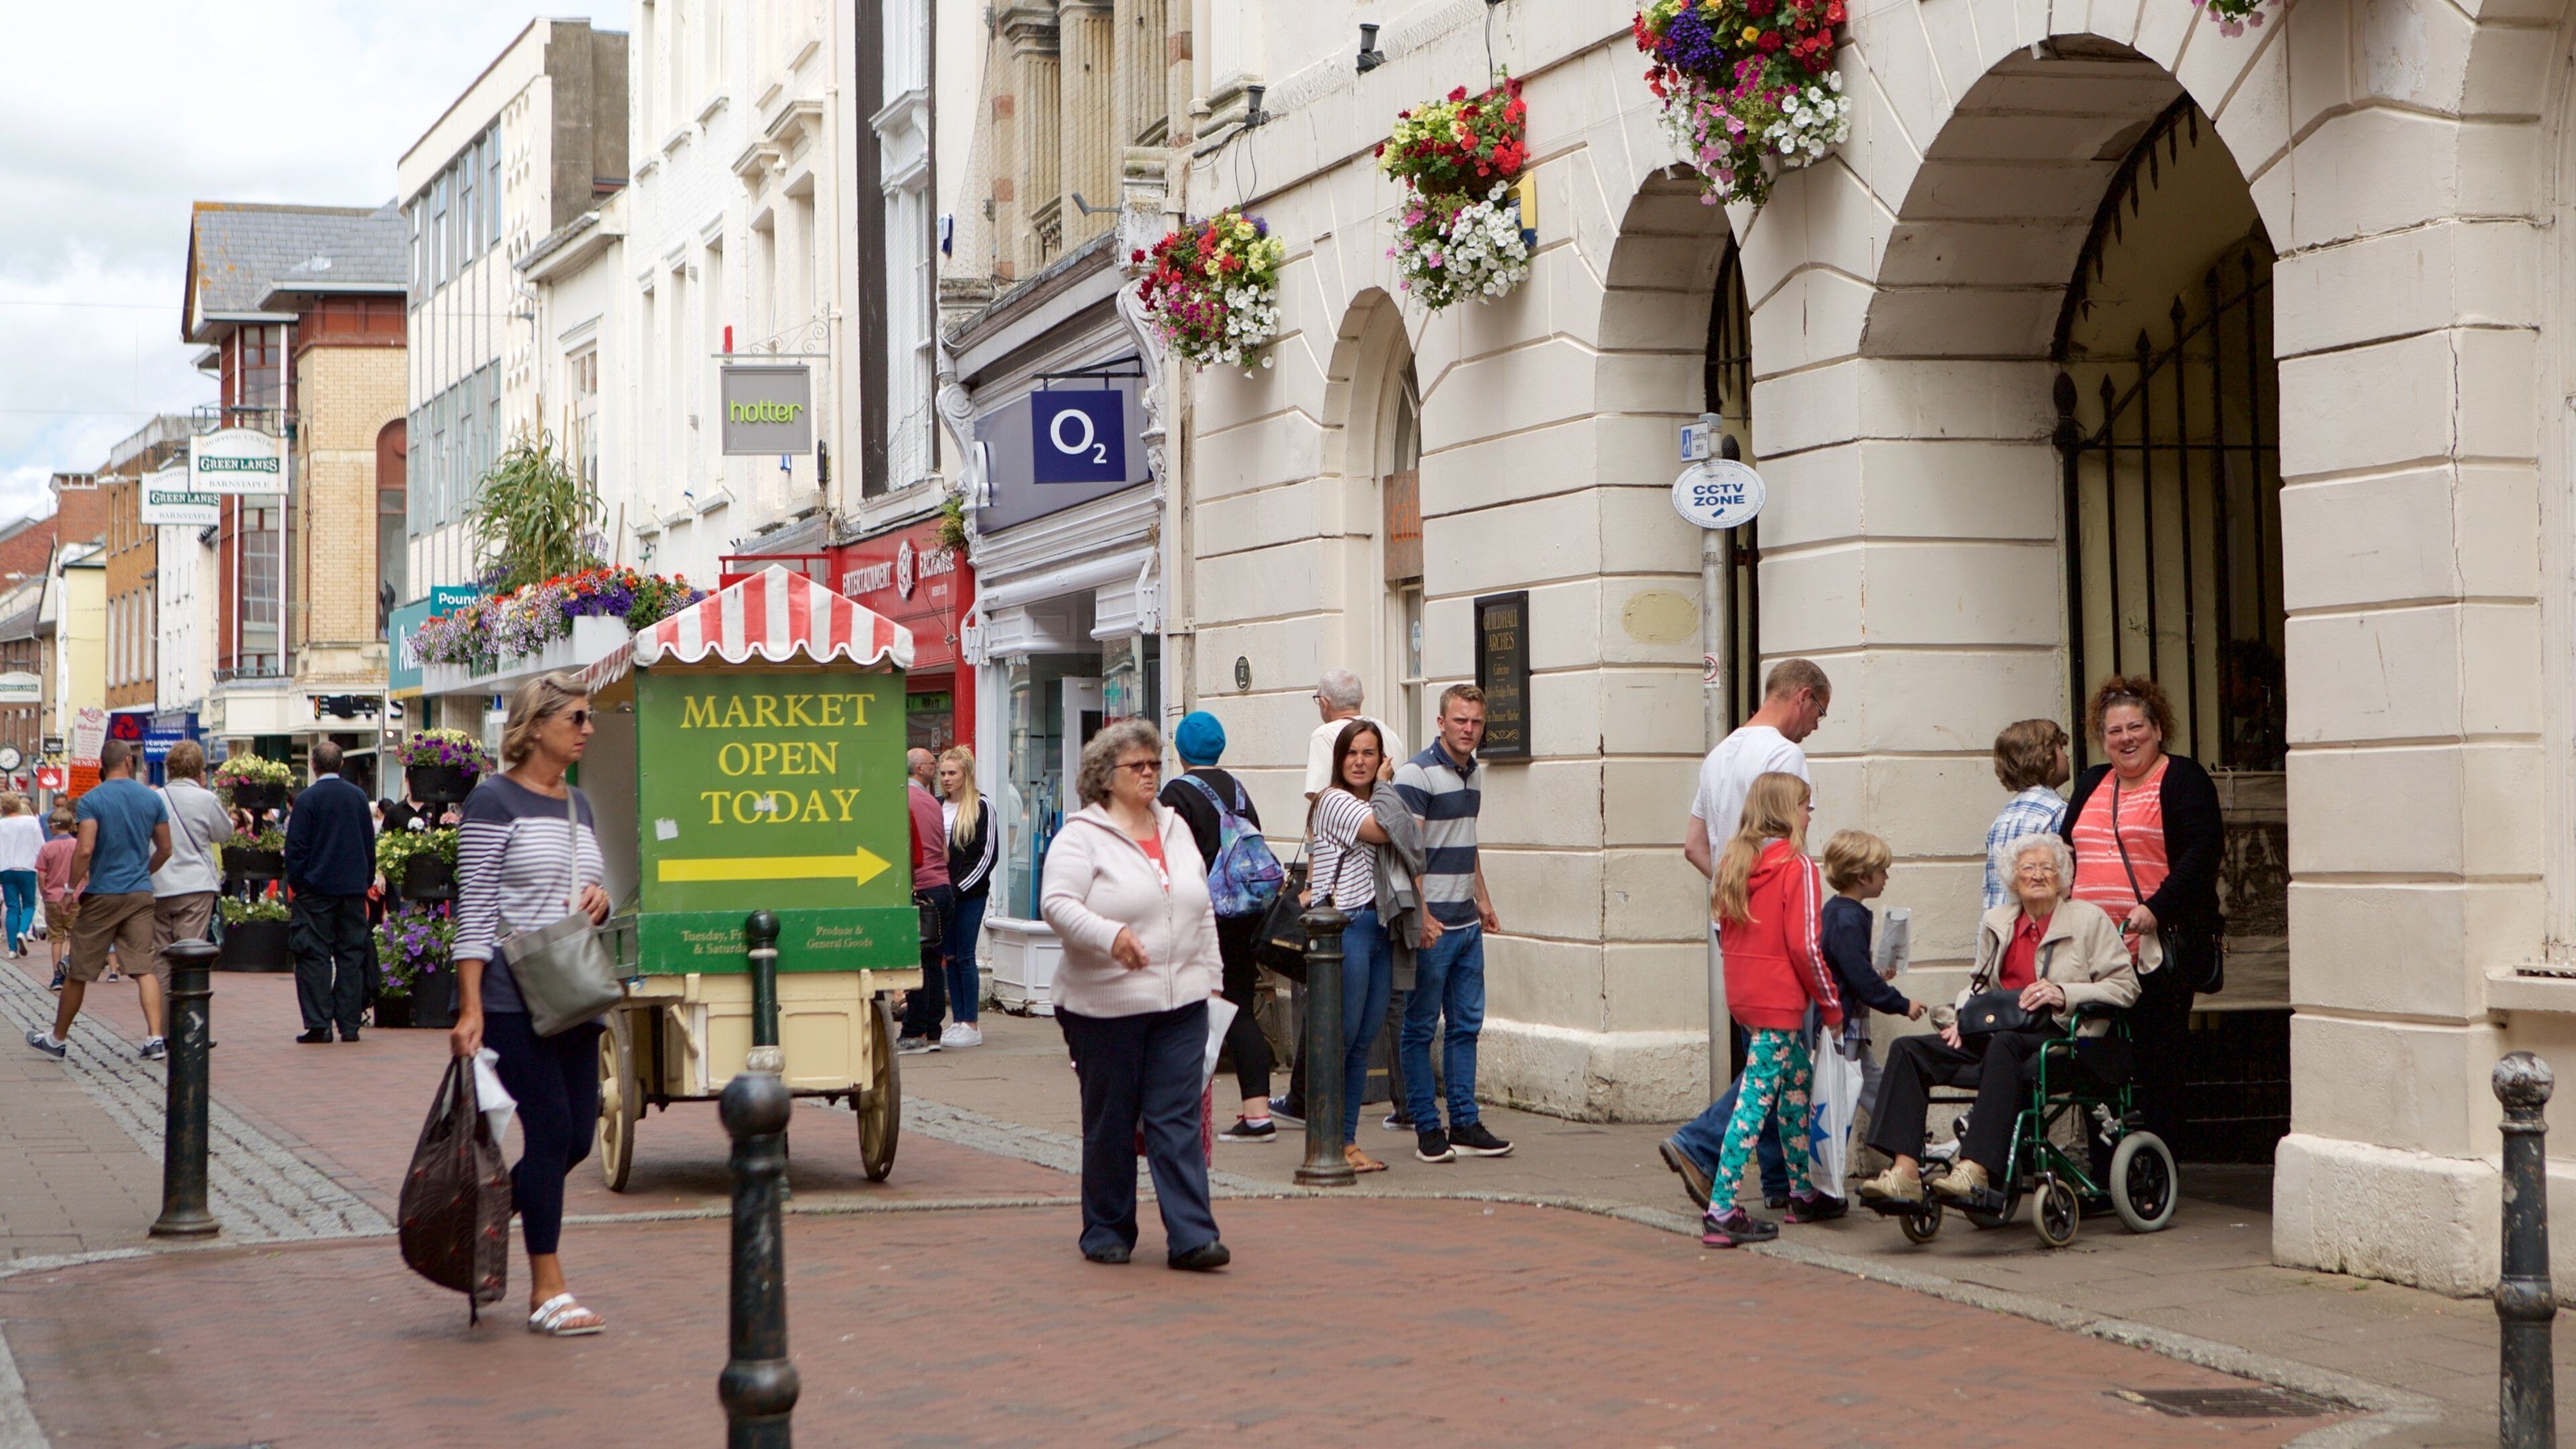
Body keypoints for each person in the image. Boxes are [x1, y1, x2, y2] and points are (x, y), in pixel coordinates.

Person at [449, 672, 615, 1336]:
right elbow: (474, 911)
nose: (587, 729)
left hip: (574, 990)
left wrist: (599, 901)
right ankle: (548, 1290)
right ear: (536, 724)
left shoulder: (579, 805)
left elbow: (584, 888)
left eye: (588, 717)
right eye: (576, 717)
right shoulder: (493, 801)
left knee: (577, 1135)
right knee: (547, 1129)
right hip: (511, 998)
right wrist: (469, 1008)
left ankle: (475, 1224)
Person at [1038, 719, 1229, 1271]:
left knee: (1177, 1120)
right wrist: (1111, 936)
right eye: (1137, 767)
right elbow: (1057, 904)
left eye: (1154, 765)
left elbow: (1202, 907)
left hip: (1183, 1002)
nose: (1150, 774)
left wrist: (1211, 977)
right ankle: (1107, 1228)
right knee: (1112, 1120)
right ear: (1106, 776)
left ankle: (1193, 1237)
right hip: (1105, 1005)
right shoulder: (1081, 835)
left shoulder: (1175, 827)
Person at [1859, 834, 2139, 1208]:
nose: (2037, 875)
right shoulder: (1998, 922)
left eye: (2047, 867)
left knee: (2004, 1043)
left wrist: (2064, 993)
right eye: (2028, 868)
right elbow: (1980, 985)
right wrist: (1964, 1018)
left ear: (2062, 876)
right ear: (2013, 878)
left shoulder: (2089, 920)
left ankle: (1974, 1168)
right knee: (1909, 1050)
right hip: (1999, 1039)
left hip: (2061, 1040)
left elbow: (2126, 987)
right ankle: (1906, 1172)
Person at [1662, 659, 1832, 1208]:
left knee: (1771, 1060)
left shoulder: (1720, 753)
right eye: (1819, 713)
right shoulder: (1785, 756)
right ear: (1802, 698)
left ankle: (1784, 1185)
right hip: (1778, 929)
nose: (1815, 726)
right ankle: (1701, 1143)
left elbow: (1692, 845)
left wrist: (1736, 885)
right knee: (1776, 1060)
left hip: (1731, 928)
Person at [2059, 674, 2222, 1154]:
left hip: (2153, 948)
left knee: (2158, 1060)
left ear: (2157, 728)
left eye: (2136, 728)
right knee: (2095, 1057)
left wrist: (2156, 907)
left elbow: (2202, 853)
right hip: (2094, 952)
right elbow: (2066, 850)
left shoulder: (2183, 778)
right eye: (2115, 731)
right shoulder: (2092, 781)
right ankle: (2107, 1167)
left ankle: (2157, 1165)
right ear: (2102, 737)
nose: (2126, 739)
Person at [1696, 772, 1843, 1248]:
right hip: (1781, 996)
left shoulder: (1736, 861)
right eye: (1805, 805)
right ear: (1787, 811)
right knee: (1754, 1102)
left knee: (1794, 1078)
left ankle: (1801, 1190)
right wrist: (1830, 1003)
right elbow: (1805, 945)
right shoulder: (1796, 867)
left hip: (1745, 994)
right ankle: (1721, 1207)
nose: (1810, 813)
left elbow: (1726, 935)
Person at [1391, 684, 1511, 1164]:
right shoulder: (1416, 775)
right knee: (1420, 1029)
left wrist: (1483, 900)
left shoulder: (1473, 774)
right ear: (1440, 722)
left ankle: (1464, 1121)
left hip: (1465, 924)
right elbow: (1407, 851)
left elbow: (1467, 841)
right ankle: (1427, 1126)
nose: (1468, 730)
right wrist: (1422, 915)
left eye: (1476, 722)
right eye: (1460, 720)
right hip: (1433, 926)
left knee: (1466, 1027)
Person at [1157, 712, 1280, 1143]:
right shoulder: (1238, 789)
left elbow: (1171, 858)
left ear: (1181, 749)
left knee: (1188, 1011)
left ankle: (1180, 1114)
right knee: (1240, 1005)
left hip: (1202, 916)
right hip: (1245, 913)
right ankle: (1258, 1113)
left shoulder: (1176, 793)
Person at [25, 740, 172, 1063]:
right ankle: (155, 1038)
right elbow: (165, 849)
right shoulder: (151, 798)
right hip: (139, 894)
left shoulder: (93, 800)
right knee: (143, 968)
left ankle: (57, 1039)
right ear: (129, 763)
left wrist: (68, 889)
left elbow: (86, 848)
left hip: (103, 893)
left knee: (79, 970)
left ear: (102, 768)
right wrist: (143, 873)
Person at [1305, 718, 1400, 1173]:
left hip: (1380, 926)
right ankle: (1327, 1138)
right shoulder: (1334, 801)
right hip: (1347, 926)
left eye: (1370, 753)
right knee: (1341, 1039)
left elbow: (1410, 830)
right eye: (1353, 754)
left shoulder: (1370, 799)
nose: (1361, 762)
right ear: (1339, 760)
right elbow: (1388, 830)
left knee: (1363, 1041)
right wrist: (1385, 787)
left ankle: (1345, 1140)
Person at [284, 741, 378, 1044]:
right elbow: (368, 845)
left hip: (316, 891)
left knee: (314, 955)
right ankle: (349, 1025)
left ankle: (319, 1023)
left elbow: (295, 849)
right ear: (340, 765)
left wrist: (300, 885)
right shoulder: (358, 798)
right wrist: (363, 881)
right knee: (351, 956)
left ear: (313, 765)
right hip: (351, 890)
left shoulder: (307, 800)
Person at [151, 742, 234, 1003]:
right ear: (199, 770)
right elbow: (224, 833)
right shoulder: (206, 799)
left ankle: (161, 1028)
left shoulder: (156, 798)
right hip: (196, 887)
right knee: (189, 958)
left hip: (159, 885)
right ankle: (187, 1028)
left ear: (169, 769)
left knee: (161, 960)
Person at [897, 747, 955, 1054]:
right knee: (934, 961)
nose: (937, 769)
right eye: (934, 764)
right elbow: (944, 853)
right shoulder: (933, 803)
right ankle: (933, 1030)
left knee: (917, 961)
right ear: (920, 769)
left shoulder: (902, 800)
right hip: (942, 888)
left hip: (920, 890)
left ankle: (915, 1031)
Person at [936, 746, 995, 1050]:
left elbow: (987, 855)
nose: (946, 779)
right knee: (948, 957)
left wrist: (959, 889)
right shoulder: (936, 806)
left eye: (952, 774)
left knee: (965, 956)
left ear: (966, 775)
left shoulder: (982, 807)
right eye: (943, 773)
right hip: (942, 894)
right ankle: (957, 1020)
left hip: (969, 895)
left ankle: (971, 1023)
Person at [1984, 718, 2072, 911]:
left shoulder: (2003, 818)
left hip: (2002, 930)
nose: (2067, 757)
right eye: (2061, 750)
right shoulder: (2057, 812)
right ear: (2045, 757)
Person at [1302, 668, 1405, 801]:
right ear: (1362, 698)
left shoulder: (1324, 735)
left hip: (1354, 820)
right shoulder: (1388, 732)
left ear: (1324, 703)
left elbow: (1318, 796)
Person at [36, 808, 76, 991]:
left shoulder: (47, 848)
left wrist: (45, 892)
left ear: (53, 827)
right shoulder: (77, 845)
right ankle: (68, 959)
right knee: (74, 933)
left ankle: (57, 975)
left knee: (56, 936)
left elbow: (42, 874)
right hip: (75, 896)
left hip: (53, 897)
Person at [0, 794, 41, 958]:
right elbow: (41, 846)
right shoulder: (31, 822)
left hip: (6, 868)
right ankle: (23, 932)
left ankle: (12, 949)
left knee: (12, 907)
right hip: (27, 867)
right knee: (29, 904)